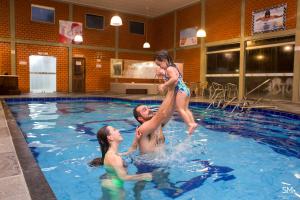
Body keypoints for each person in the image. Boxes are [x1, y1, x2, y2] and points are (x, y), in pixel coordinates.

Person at [89, 126, 152, 200]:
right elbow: (123, 177)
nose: (118, 131)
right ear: (110, 138)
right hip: (115, 187)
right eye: (114, 130)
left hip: (108, 182)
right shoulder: (115, 157)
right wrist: (144, 176)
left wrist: (136, 139)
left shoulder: (112, 154)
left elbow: (130, 151)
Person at [154, 50, 197, 134]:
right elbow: (171, 76)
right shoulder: (173, 67)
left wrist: (164, 85)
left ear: (164, 60)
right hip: (185, 89)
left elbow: (174, 78)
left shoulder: (169, 69)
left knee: (180, 108)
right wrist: (162, 74)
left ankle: (190, 124)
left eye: (159, 64)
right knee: (185, 109)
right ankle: (193, 123)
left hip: (180, 90)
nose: (160, 67)